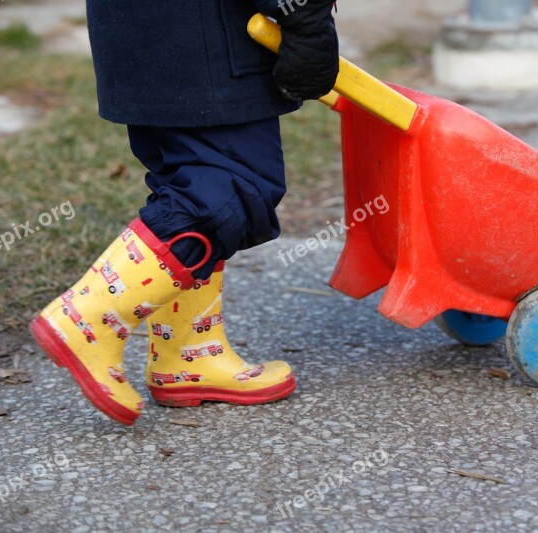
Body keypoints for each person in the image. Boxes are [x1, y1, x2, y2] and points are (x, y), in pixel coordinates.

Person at [30, 0, 340, 425]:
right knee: (230, 188)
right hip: (205, 33)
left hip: (143, 28)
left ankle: (189, 355)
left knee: (192, 180)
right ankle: (88, 317)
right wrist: (308, 20)